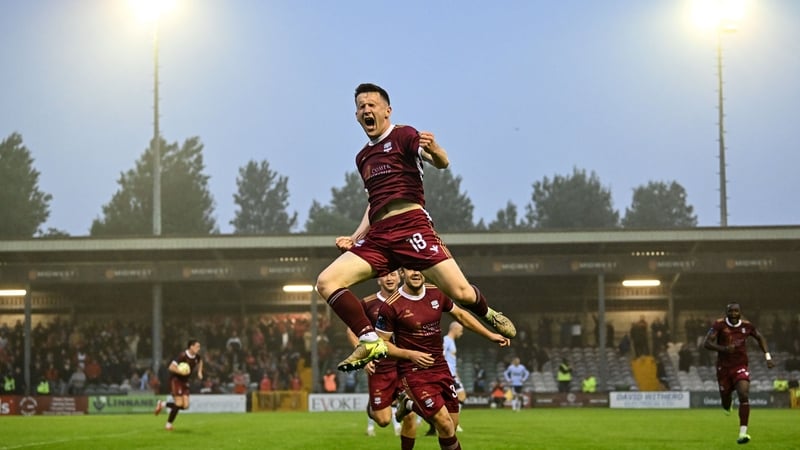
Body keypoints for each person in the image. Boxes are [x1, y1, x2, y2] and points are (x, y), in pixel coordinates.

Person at [316, 83, 516, 373]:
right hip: (379, 236)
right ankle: (370, 340)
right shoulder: (363, 157)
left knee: (461, 293)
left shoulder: (404, 135)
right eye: (361, 107)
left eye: (372, 104)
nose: (366, 110)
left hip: (412, 227)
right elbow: (374, 203)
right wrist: (356, 236)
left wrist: (435, 150)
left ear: (387, 110)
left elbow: (442, 162)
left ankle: (488, 312)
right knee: (326, 281)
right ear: (356, 116)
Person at [378, 269, 511, 450]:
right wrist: (410, 354)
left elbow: (461, 315)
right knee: (445, 424)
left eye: (419, 268)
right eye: (410, 268)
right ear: (402, 272)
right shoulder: (391, 306)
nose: (415, 272)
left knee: (451, 428)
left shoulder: (436, 292)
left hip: (440, 368)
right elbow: (381, 344)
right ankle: (409, 402)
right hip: (413, 372)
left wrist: (490, 335)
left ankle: (407, 404)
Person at [345, 270, 406, 438]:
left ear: (400, 277)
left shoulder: (409, 300)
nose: (389, 278)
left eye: (393, 274)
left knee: (411, 409)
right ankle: (372, 408)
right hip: (380, 368)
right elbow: (351, 331)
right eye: (385, 275)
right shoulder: (368, 303)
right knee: (384, 420)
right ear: (378, 279)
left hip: (404, 364)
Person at [703, 303, 774, 445]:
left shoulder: (747, 326)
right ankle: (727, 404)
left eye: (736, 311)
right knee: (725, 400)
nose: (734, 313)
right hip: (723, 369)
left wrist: (768, 356)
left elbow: (760, 338)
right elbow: (707, 343)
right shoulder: (719, 325)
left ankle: (743, 433)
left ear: (740, 312)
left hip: (740, 366)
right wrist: (724, 349)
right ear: (726, 312)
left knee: (743, 394)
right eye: (731, 311)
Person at [154, 339, 204, 431]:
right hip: (176, 380)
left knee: (185, 406)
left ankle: (162, 404)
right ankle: (168, 425)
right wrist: (180, 371)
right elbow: (171, 367)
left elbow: (200, 361)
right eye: (197, 346)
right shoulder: (182, 356)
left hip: (185, 381)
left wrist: (199, 372)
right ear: (191, 346)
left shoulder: (197, 357)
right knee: (178, 403)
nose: (199, 348)